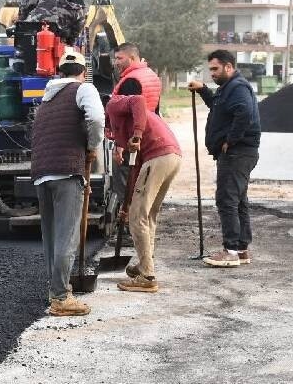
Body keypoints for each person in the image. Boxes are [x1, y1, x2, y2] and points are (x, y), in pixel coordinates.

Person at [31, 49, 104, 316]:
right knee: (66, 236)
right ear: (83, 71)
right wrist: (92, 146)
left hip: (41, 171)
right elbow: (96, 119)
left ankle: (54, 290)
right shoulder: (83, 89)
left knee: (51, 236)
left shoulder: (47, 98)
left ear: (59, 71)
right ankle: (61, 297)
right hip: (66, 171)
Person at [188, 50, 261, 268]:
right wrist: (203, 90)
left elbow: (244, 113)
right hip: (240, 153)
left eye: (215, 69)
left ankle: (230, 251)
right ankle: (241, 250)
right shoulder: (228, 89)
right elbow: (219, 107)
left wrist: (231, 140)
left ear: (228, 67)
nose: (212, 74)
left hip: (237, 153)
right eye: (210, 69)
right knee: (238, 201)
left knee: (227, 200)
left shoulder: (237, 88)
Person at [106, 94, 182, 292]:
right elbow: (136, 170)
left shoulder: (113, 105)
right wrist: (127, 204)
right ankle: (144, 265)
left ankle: (147, 275)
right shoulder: (128, 128)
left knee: (138, 217)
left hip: (158, 155)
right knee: (146, 215)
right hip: (171, 156)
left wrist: (138, 134)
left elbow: (138, 100)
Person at [107, 42, 162, 247]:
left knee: (126, 186)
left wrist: (120, 144)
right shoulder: (151, 76)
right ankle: (139, 229)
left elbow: (129, 115)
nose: (115, 63)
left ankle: (130, 233)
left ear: (131, 58)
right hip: (146, 138)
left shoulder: (131, 81)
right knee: (141, 186)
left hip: (132, 143)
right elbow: (155, 110)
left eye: (119, 58)